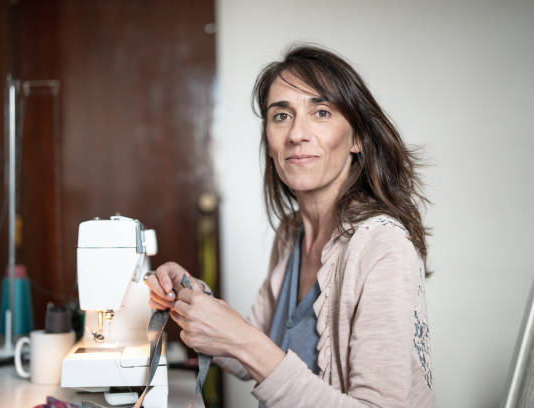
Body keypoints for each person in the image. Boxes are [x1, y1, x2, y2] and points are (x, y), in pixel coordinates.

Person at [146, 45, 434, 407]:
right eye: (281, 115)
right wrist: (191, 299)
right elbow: (254, 354)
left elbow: (252, 348)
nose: (297, 133)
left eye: (321, 112)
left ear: (357, 138)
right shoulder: (291, 234)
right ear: (269, 141)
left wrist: (241, 340)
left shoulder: (383, 247)